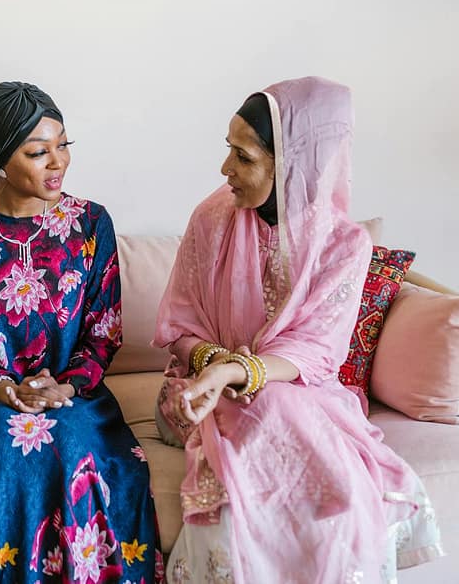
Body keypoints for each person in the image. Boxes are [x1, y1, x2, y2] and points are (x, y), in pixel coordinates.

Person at [152, 77, 442, 583]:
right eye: (229, 151)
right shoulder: (210, 219)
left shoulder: (343, 246)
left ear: (290, 162)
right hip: (195, 394)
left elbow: (315, 354)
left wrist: (239, 373)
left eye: (243, 157)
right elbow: (180, 326)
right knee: (275, 411)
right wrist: (213, 370)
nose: (226, 169)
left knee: (278, 405)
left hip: (299, 393)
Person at [0, 81, 162, 583]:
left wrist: (67, 385)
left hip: (75, 392)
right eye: (39, 152)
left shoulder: (91, 223)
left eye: (63, 146)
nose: (58, 162)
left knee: (70, 441)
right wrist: (4, 387)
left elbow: (103, 331)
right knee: (12, 445)